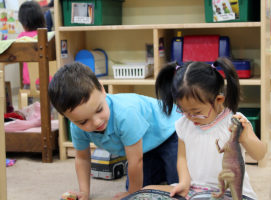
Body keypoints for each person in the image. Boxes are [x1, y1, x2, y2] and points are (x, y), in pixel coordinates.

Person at [48, 62, 181, 200]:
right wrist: (84, 192)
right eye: (83, 121)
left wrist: (133, 194)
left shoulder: (125, 113)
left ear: (102, 89)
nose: (97, 122)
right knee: (137, 183)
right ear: (67, 117)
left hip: (171, 133)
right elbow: (82, 158)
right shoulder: (76, 126)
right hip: (146, 147)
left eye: (99, 110)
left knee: (178, 184)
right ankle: (161, 166)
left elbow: (136, 160)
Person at [146, 58, 267, 199]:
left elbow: (260, 154)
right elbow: (182, 157)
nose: (190, 117)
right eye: (183, 110)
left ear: (219, 100)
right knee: (148, 190)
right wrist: (184, 182)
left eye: (196, 112)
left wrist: (245, 137)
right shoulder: (183, 124)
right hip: (195, 189)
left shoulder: (235, 122)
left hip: (232, 193)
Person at [18, 1, 46, 91]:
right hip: (48, 82)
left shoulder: (21, 38)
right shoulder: (46, 36)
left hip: (30, 84)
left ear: (24, 23)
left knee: (29, 103)